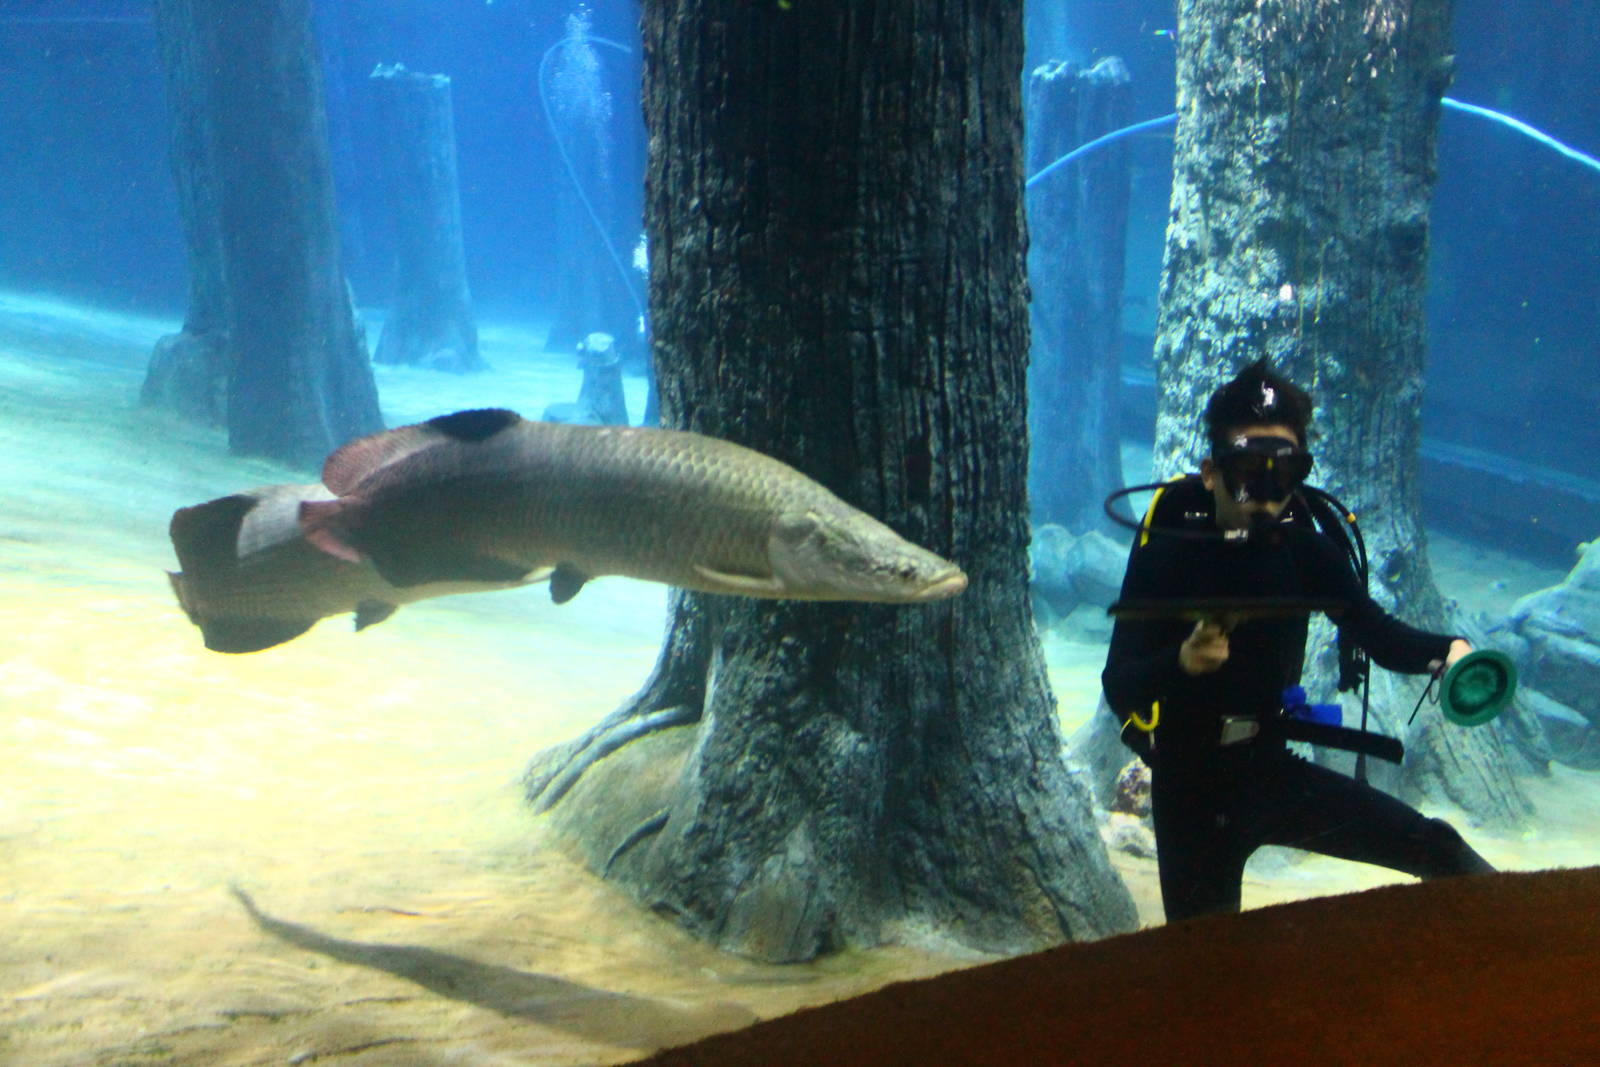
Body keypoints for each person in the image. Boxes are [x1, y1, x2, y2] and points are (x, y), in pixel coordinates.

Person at [1101, 359, 1495, 921]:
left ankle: (1542, 946)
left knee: (1440, 848)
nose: (1263, 496)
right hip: (1188, 789)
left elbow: (1379, 636)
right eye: (1245, 473)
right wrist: (1182, 662)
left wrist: (1449, 650)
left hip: (1269, 770)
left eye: (1282, 475)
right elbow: (1119, 683)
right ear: (1210, 472)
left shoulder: (1306, 551)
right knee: (1206, 974)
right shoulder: (1170, 549)